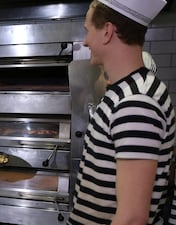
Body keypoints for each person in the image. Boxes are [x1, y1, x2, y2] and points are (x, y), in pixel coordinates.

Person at [68, 0, 176, 225]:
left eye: (88, 30)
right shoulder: (126, 91)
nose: (86, 41)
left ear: (107, 31)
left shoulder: (136, 102)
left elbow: (131, 218)